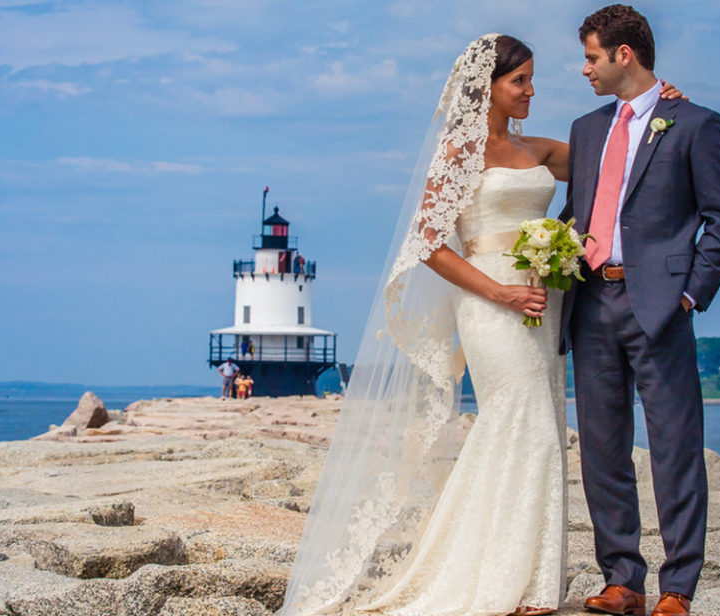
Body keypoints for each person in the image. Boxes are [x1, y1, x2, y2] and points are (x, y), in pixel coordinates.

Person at [277, 34, 685, 616]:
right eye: (520, 81)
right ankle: (510, 578)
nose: (531, 91)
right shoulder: (457, 154)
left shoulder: (542, 150)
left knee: (538, 419)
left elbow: (623, 156)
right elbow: (428, 244)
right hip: (490, 298)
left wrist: (659, 103)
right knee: (526, 422)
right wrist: (498, 292)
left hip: (542, 302)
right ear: (487, 87)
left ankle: (529, 579)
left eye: (532, 79)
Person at [559, 6, 720, 616]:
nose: (584, 69)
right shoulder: (586, 130)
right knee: (602, 449)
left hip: (661, 307)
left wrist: (689, 295)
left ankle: (678, 589)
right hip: (591, 303)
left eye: (591, 57)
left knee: (675, 447)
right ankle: (623, 581)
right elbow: (578, 213)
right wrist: (546, 254)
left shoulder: (696, 124)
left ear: (624, 55)